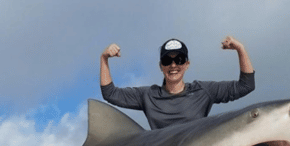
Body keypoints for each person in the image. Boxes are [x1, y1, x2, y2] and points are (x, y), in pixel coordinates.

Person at [100, 36, 255, 129]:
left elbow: (246, 85)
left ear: (187, 64)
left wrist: (240, 49)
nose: (173, 65)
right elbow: (110, 93)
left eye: (179, 60)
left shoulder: (203, 91)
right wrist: (104, 58)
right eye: (167, 60)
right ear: (161, 66)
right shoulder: (148, 95)